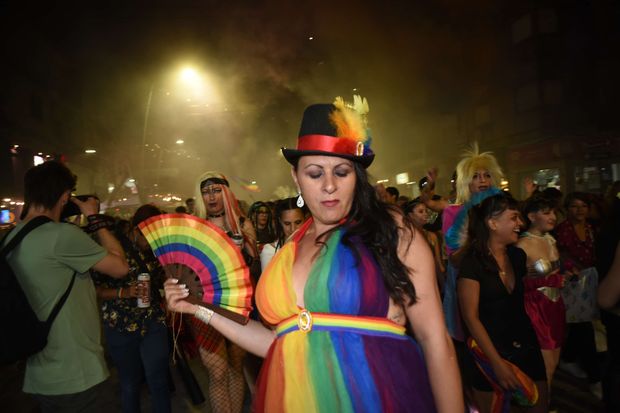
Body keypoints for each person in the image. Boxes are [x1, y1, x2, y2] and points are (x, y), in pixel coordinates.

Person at [165, 97, 462, 412]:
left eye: (342, 172)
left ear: (357, 175)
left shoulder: (390, 230)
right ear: (296, 178)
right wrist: (198, 307)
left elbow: (435, 341)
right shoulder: (286, 250)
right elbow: (279, 343)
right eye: (315, 173)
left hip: (377, 397)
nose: (329, 186)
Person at [4, 160, 129, 411]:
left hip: (39, 375)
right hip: (77, 374)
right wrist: (94, 216)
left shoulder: (10, 238)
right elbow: (120, 267)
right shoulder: (62, 236)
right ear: (64, 197)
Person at [457, 193, 548, 413]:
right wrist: (496, 363)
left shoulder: (517, 256)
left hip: (526, 345)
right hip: (489, 352)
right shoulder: (472, 262)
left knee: (540, 404)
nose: (521, 224)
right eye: (514, 218)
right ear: (493, 223)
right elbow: (471, 317)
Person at [189, 171, 258, 413]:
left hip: (237, 302)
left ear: (226, 192)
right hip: (206, 303)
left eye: (216, 190)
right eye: (206, 191)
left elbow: (255, 263)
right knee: (217, 372)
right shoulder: (195, 226)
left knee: (236, 366)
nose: (211, 196)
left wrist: (242, 246)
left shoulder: (242, 223)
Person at [92, 204, 171, 413]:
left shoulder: (156, 251)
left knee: (159, 380)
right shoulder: (113, 248)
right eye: (148, 236)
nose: (152, 242)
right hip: (120, 325)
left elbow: (161, 280)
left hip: (153, 321)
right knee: (129, 384)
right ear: (136, 230)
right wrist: (123, 292)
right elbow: (94, 290)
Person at [516, 195, 566, 391]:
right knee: (546, 366)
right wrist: (548, 280)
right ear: (531, 216)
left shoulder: (550, 239)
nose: (552, 216)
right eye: (546, 213)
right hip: (536, 308)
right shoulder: (522, 245)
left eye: (553, 212)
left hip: (555, 305)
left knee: (553, 363)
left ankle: (544, 402)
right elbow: (515, 284)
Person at [556, 192, 602, 398]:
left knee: (578, 323)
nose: (580, 210)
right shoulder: (562, 230)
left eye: (583, 206)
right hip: (573, 281)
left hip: (590, 279)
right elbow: (561, 255)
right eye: (575, 206)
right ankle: (595, 378)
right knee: (582, 324)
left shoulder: (592, 228)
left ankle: (568, 358)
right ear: (567, 209)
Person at [404, 198, 446, 292]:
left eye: (426, 211)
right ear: (410, 215)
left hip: (431, 280)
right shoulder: (406, 238)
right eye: (420, 211)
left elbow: (438, 263)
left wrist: (443, 285)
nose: (425, 214)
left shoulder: (431, 236)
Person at [260, 197, 306, 271]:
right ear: (280, 222)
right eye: (287, 224)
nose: (293, 229)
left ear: (305, 220)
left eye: (298, 222)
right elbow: (269, 281)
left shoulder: (314, 245)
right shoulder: (270, 250)